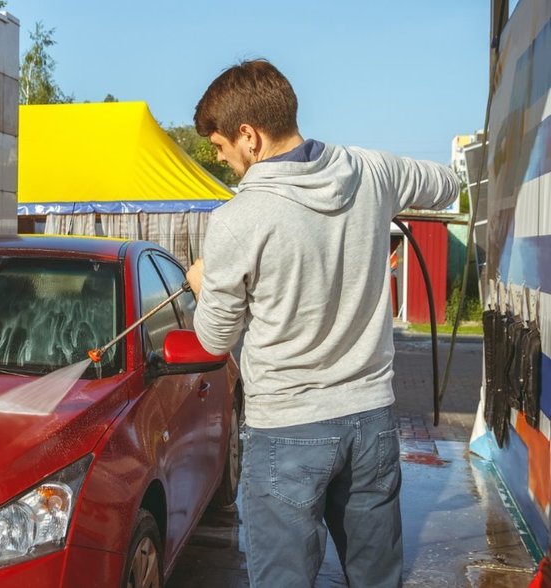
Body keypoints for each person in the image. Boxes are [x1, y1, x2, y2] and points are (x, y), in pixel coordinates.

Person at [185, 60, 459, 587]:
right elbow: (445, 185)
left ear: (249, 136)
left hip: (286, 431)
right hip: (371, 421)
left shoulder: (237, 220)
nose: (225, 164)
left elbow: (215, 338)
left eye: (222, 149)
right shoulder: (372, 171)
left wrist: (203, 285)